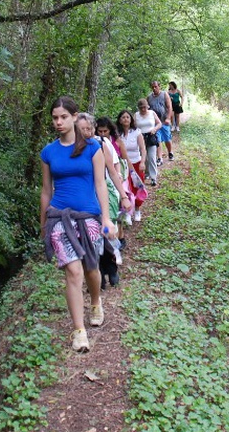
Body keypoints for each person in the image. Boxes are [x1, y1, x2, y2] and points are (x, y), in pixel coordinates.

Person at [40, 96, 116, 352]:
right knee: (73, 272)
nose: (58, 122)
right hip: (60, 218)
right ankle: (79, 330)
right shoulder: (48, 151)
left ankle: (96, 301)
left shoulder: (93, 148)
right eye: (54, 117)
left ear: (74, 117)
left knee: (91, 268)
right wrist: (43, 224)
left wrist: (106, 217)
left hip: (89, 217)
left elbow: (100, 184)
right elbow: (45, 191)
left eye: (63, 117)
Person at [76, 112, 128, 266]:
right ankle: (97, 257)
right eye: (83, 129)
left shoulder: (101, 144)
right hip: (85, 193)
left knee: (109, 221)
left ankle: (113, 251)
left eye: (90, 128)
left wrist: (123, 196)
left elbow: (112, 170)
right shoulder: (71, 147)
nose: (87, 132)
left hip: (105, 188)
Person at [116, 108, 148, 221]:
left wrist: (143, 162)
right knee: (126, 188)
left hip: (137, 163)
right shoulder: (117, 134)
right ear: (119, 120)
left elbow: (143, 149)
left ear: (131, 119)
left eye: (127, 117)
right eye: (123, 117)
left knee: (138, 186)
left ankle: (138, 209)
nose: (125, 119)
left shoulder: (136, 132)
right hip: (123, 165)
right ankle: (128, 212)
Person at [135, 97, 162, 187]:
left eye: (145, 107)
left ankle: (153, 177)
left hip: (151, 136)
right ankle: (146, 173)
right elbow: (133, 127)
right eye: (141, 107)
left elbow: (159, 123)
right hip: (140, 137)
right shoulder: (136, 115)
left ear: (148, 106)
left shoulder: (152, 113)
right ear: (138, 108)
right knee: (143, 157)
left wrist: (154, 129)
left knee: (151, 157)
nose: (143, 109)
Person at [148, 81, 175, 162]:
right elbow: (147, 108)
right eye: (152, 87)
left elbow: (169, 107)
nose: (154, 88)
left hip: (164, 121)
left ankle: (170, 152)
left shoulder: (164, 94)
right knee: (157, 139)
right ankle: (159, 158)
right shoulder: (149, 97)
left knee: (167, 138)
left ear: (159, 86)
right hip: (155, 123)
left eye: (156, 86)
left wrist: (168, 118)